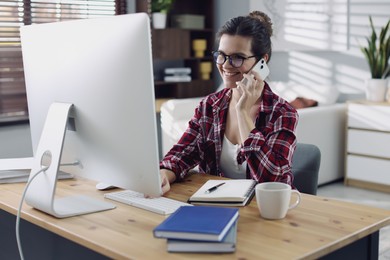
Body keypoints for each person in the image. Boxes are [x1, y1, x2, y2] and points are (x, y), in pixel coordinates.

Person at [159, 11, 298, 194]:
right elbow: (181, 154)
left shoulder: (282, 112)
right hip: (213, 207)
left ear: (262, 62)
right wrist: (164, 174)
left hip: (262, 210)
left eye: (237, 57)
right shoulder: (209, 106)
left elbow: (273, 181)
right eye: (221, 55)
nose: (225, 65)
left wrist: (242, 112)